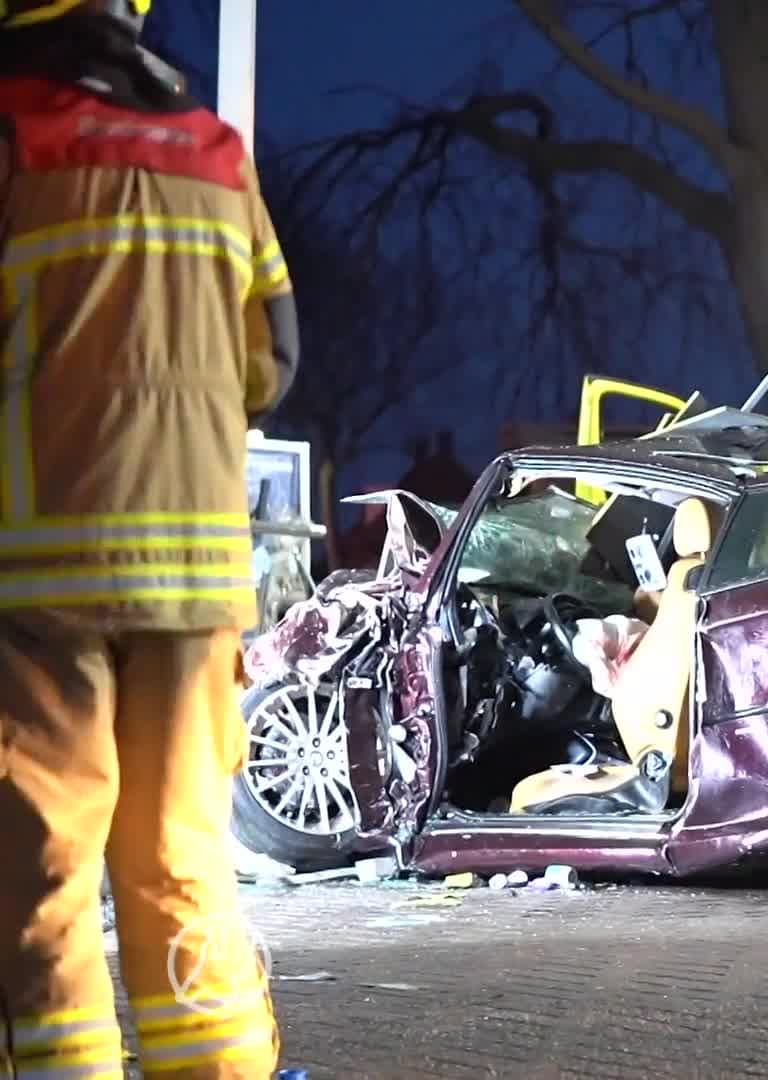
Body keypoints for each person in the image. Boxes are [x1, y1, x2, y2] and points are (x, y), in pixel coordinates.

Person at [0, 2, 298, 1076]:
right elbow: (270, 367)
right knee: (180, 857)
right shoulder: (213, 148)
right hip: (196, 574)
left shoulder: (13, 131)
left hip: (43, 575)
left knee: (46, 868)